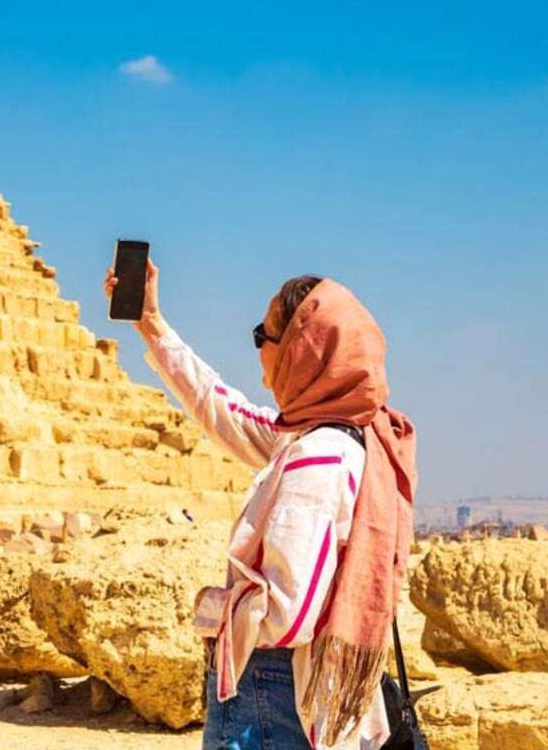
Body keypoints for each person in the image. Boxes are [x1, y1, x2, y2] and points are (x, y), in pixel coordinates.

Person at [104, 259, 416, 749]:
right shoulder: (337, 437)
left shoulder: (316, 457)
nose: (257, 350)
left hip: (271, 695)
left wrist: (213, 611)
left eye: (262, 335)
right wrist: (151, 324)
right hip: (296, 693)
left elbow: (288, 612)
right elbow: (221, 408)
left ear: (299, 351)